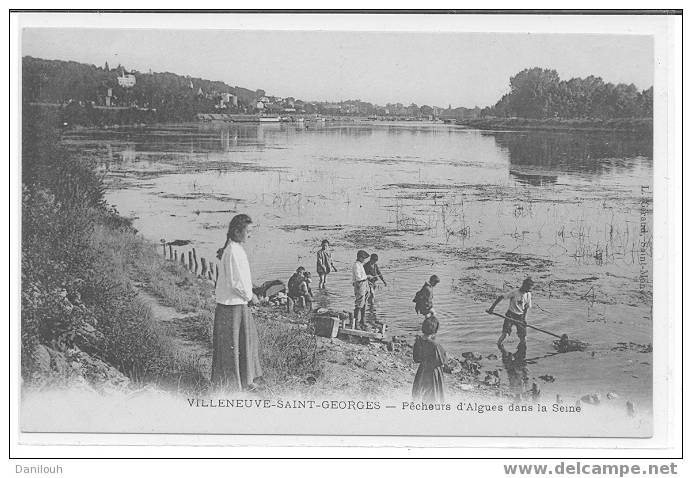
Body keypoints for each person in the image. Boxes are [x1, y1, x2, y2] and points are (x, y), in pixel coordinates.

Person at [211, 214, 262, 392]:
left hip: (238, 303)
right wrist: (250, 296)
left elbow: (242, 278)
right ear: (237, 231)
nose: (250, 235)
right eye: (248, 231)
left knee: (246, 342)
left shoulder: (237, 248)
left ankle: (245, 380)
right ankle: (233, 385)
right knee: (233, 346)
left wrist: (250, 293)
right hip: (231, 305)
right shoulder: (232, 251)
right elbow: (235, 282)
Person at [487, 277, 535, 347]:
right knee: (505, 335)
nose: (529, 291)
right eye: (528, 289)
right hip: (510, 315)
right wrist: (492, 308)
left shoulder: (528, 294)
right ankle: (498, 346)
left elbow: (526, 307)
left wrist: (524, 319)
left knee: (523, 338)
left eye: (530, 289)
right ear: (524, 286)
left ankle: (521, 352)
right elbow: (501, 297)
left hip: (520, 317)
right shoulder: (514, 292)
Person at [412, 314, 447, 403]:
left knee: (422, 392)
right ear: (435, 331)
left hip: (422, 370)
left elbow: (416, 359)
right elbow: (442, 361)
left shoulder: (418, 342)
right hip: (433, 373)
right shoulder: (435, 345)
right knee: (434, 394)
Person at [352, 250, 372, 330]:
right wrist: (367, 276)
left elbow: (363, 276)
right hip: (360, 284)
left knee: (364, 302)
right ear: (359, 257)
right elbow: (358, 278)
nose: (364, 260)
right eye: (363, 258)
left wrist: (367, 277)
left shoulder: (360, 264)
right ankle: (356, 323)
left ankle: (362, 321)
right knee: (359, 303)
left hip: (365, 284)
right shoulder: (356, 265)